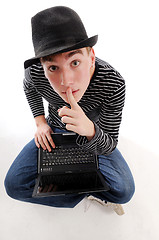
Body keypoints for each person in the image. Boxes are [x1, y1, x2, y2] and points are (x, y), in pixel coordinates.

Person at [4, 6, 135, 214]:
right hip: (56, 129)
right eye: (53, 68)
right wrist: (40, 122)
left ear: (91, 57)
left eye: (75, 62)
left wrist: (89, 130)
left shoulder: (113, 83)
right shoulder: (36, 73)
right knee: (14, 186)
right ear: (43, 65)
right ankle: (77, 196)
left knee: (124, 191)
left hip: (94, 133)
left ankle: (80, 189)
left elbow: (109, 143)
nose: (66, 82)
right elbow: (28, 87)